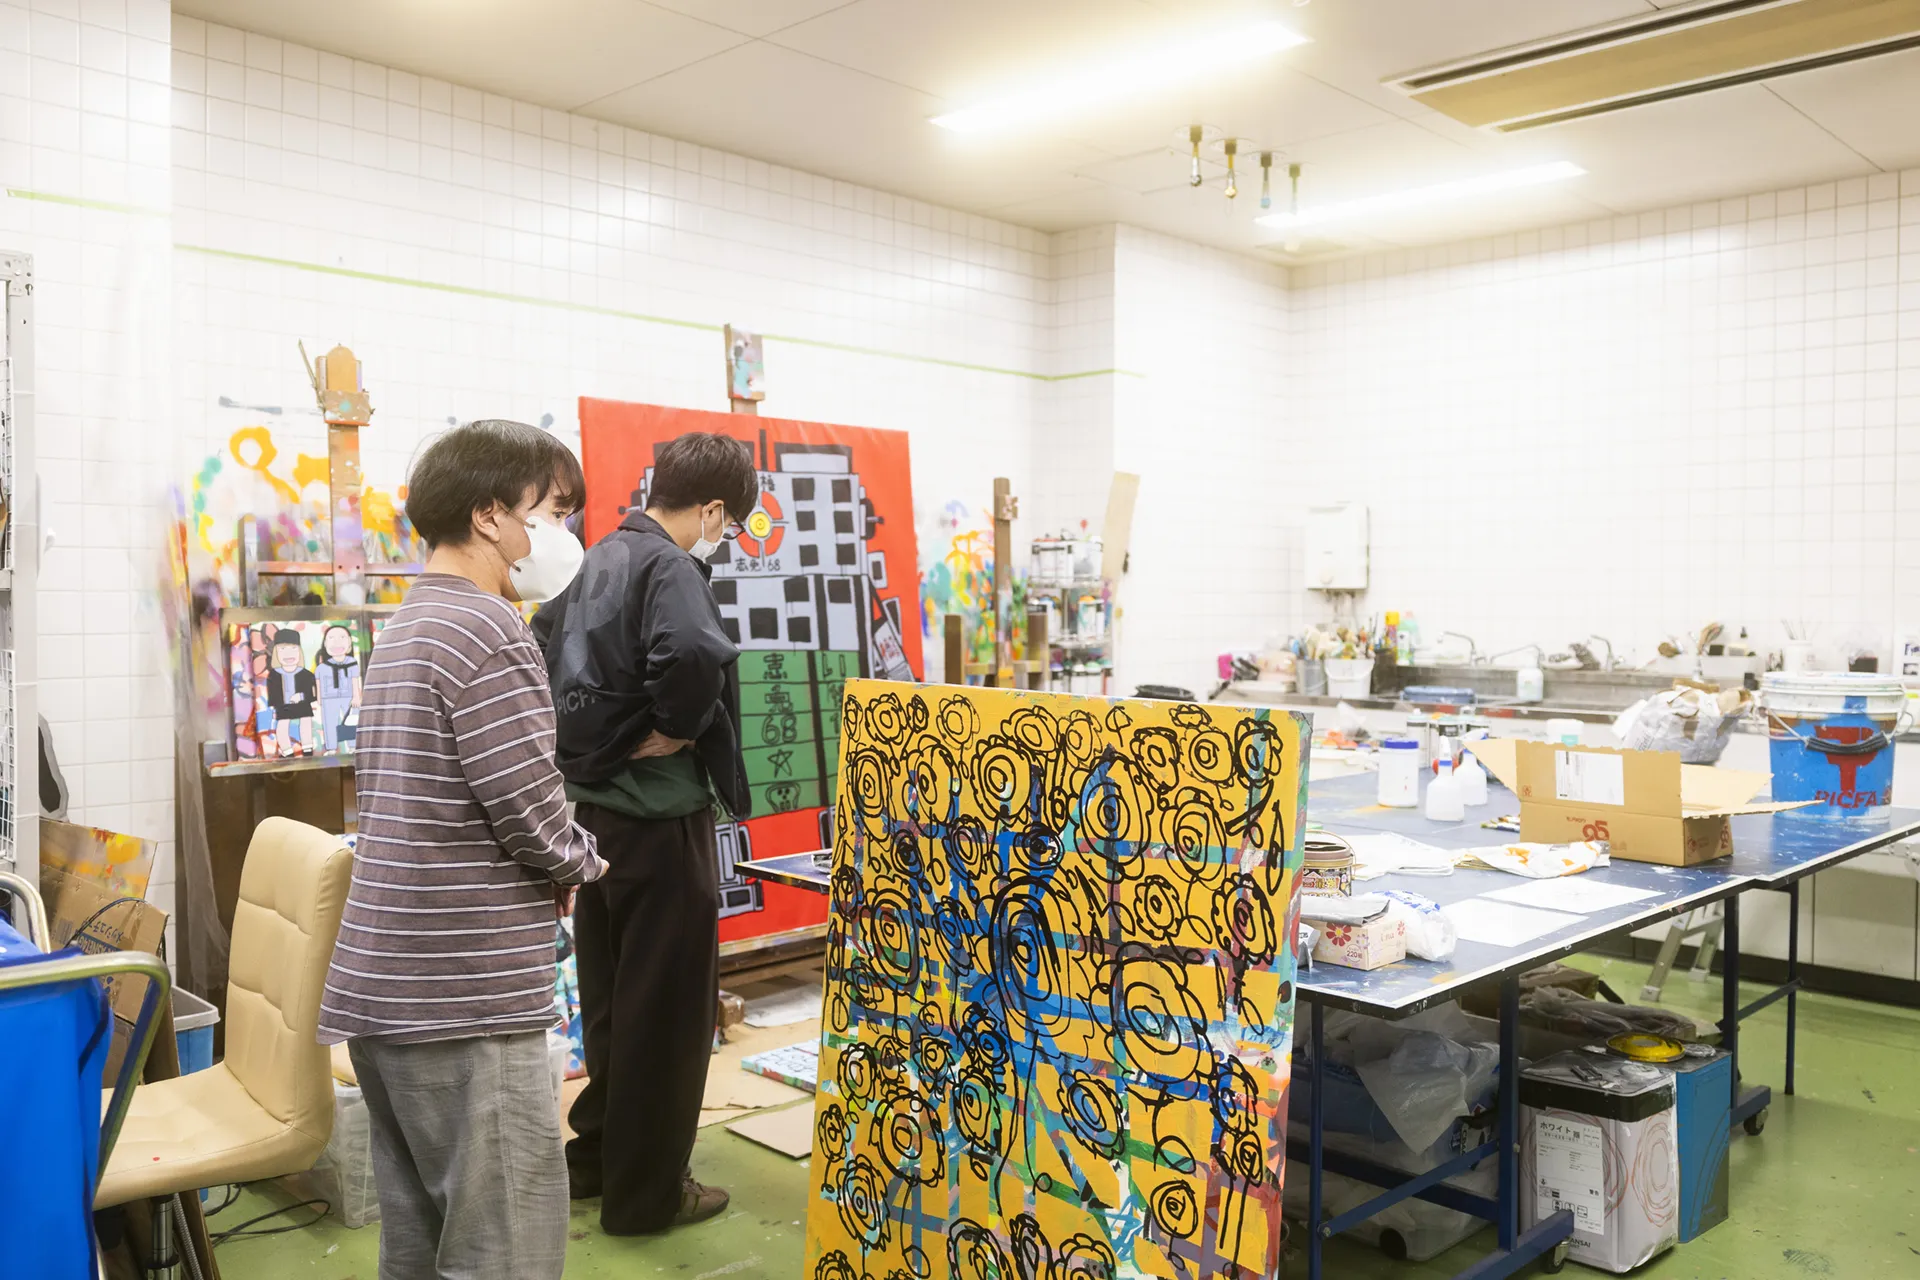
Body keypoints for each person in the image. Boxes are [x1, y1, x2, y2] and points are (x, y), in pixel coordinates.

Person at [319, 419, 608, 1280]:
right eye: (552, 512)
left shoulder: (412, 621)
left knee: (419, 1242)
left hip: (390, 988)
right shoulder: (489, 628)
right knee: (501, 1252)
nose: (561, 534)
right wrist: (582, 862)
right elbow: (529, 807)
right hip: (463, 995)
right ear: (489, 515)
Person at [533, 431, 755, 1235]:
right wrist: (676, 724)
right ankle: (648, 1196)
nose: (724, 538)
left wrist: (592, 742)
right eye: (730, 525)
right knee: (666, 1013)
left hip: (591, 819)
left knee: (613, 1000)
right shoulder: (670, 565)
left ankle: (597, 1161)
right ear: (713, 509)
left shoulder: (597, 557)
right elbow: (693, 651)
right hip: (660, 819)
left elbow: (541, 646)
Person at [265, 627, 317, 757]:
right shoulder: (274, 675)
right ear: (276, 653)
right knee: (282, 725)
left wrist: (302, 696)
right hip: (283, 706)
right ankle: (287, 750)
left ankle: (307, 748)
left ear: (299, 652)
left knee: (306, 722)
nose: (289, 654)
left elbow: (312, 693)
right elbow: (273, 694)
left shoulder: (306, 674)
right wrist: (276, 707)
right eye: (283, 649)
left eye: (293, 648)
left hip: (302, 705)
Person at [313, 622, 362, 753]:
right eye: (331, 638)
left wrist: (356, 697)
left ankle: (353, 746)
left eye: (342, 637)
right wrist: (319, 699)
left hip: (348, 696)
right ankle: (331, 747)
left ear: (349, 643)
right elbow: (319, 683)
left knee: (352, 721)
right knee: (329, 722)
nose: (337, 642)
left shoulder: (352, 663)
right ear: (325, 644)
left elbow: (355, 680)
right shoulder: (322, 667)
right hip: (328, 698)